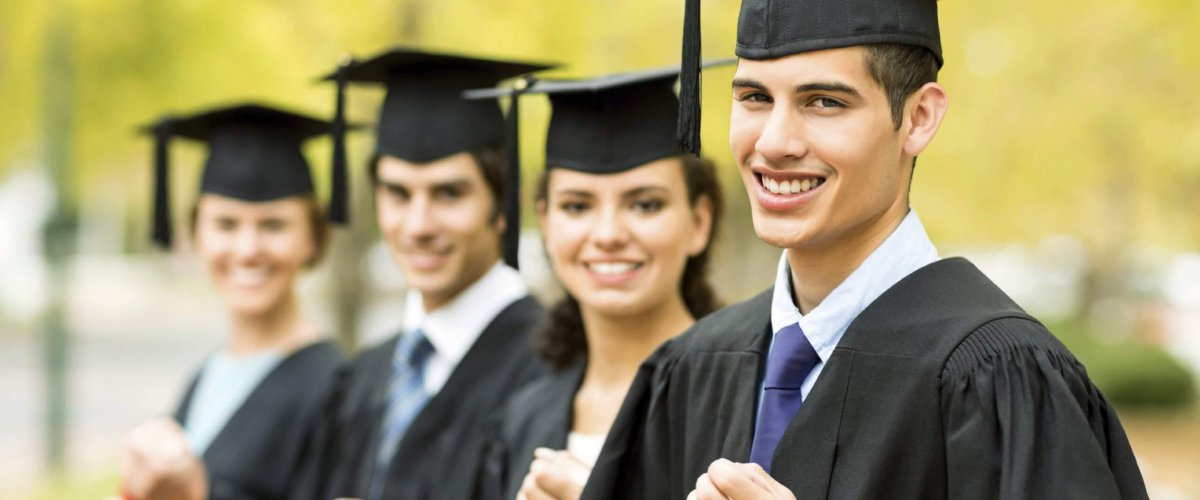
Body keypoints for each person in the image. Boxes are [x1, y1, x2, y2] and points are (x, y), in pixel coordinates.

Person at [579, 0, 1150, 499]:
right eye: (754, 97)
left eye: (824, 102)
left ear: (919, 118)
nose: (774, 142)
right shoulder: (692, 369)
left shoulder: (1002, 382)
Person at [300, 48, 554, 500]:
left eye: (448, 194)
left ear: (503, 205)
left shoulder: (553, 367)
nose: (418, 226)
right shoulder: (365, 375)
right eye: (398, 193)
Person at [472, 67, 724, 500]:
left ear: (699, 222)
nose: (607, 234)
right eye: (577, 206)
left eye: (645, 205)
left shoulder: (741, 395)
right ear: (546, 223)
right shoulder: (522, 418)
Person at [119, 104, 347, 500]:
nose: (247, 250)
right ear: (195, 235)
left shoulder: (336, 389)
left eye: (273, 225)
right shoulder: (206, 376)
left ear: (312, 237)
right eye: (225, 224)